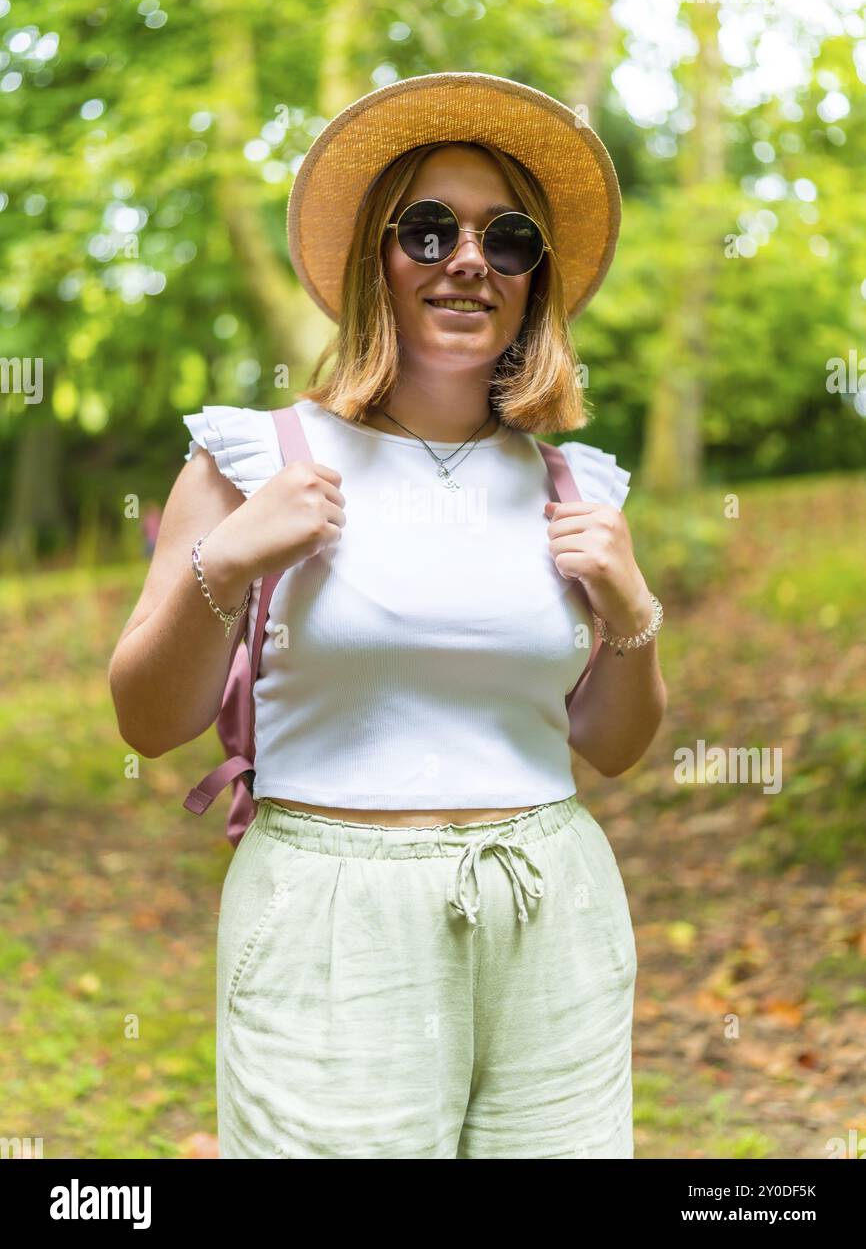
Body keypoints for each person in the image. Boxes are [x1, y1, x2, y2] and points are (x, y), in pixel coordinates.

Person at [108, 72, 666, 1160]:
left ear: (532, 280)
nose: (468, 260)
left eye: (506, 240)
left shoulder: (576, 483)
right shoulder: (251, 456)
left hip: (549, 907)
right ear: (377, 258)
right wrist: (227, 560)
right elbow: (143, 715)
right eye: (428, 230)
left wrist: (633, 613)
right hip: (330, 918)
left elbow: (611, 742)